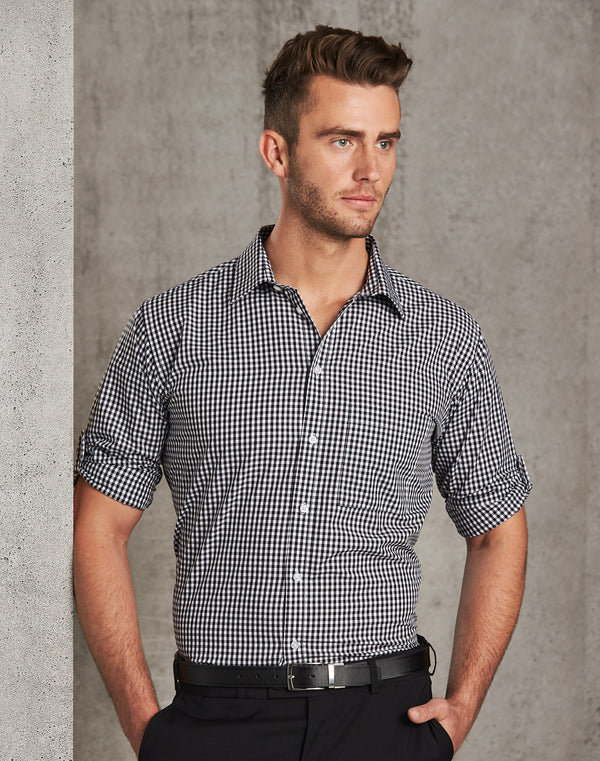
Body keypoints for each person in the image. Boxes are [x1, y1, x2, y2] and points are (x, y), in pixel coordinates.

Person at [74, 25, 531, 761]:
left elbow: (497, 529)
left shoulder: (443, 337)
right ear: (277, 152)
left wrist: (460, 710)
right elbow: (98, 526)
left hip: (385, 721)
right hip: (218, 722)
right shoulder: (175, 326)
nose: (370, 170)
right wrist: (147, 727)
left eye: (386, 142)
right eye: (342, 140)